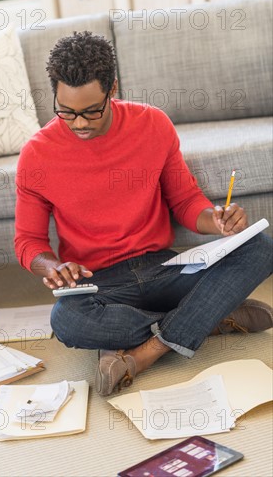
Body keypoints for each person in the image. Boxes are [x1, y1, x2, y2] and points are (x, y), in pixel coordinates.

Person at [14, 31, 273, 396]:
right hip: (99, 284)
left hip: (165, 269)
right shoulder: (37, 155)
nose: (80, 124)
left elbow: (186, 202)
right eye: (66, 112)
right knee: (67, 321)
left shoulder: (152, 124)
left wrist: (214, 220)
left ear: (113, 88)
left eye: (92, 111)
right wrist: (51, 266)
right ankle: (210, 318)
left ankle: (145, 353)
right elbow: (29, 241)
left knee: (260, 247)